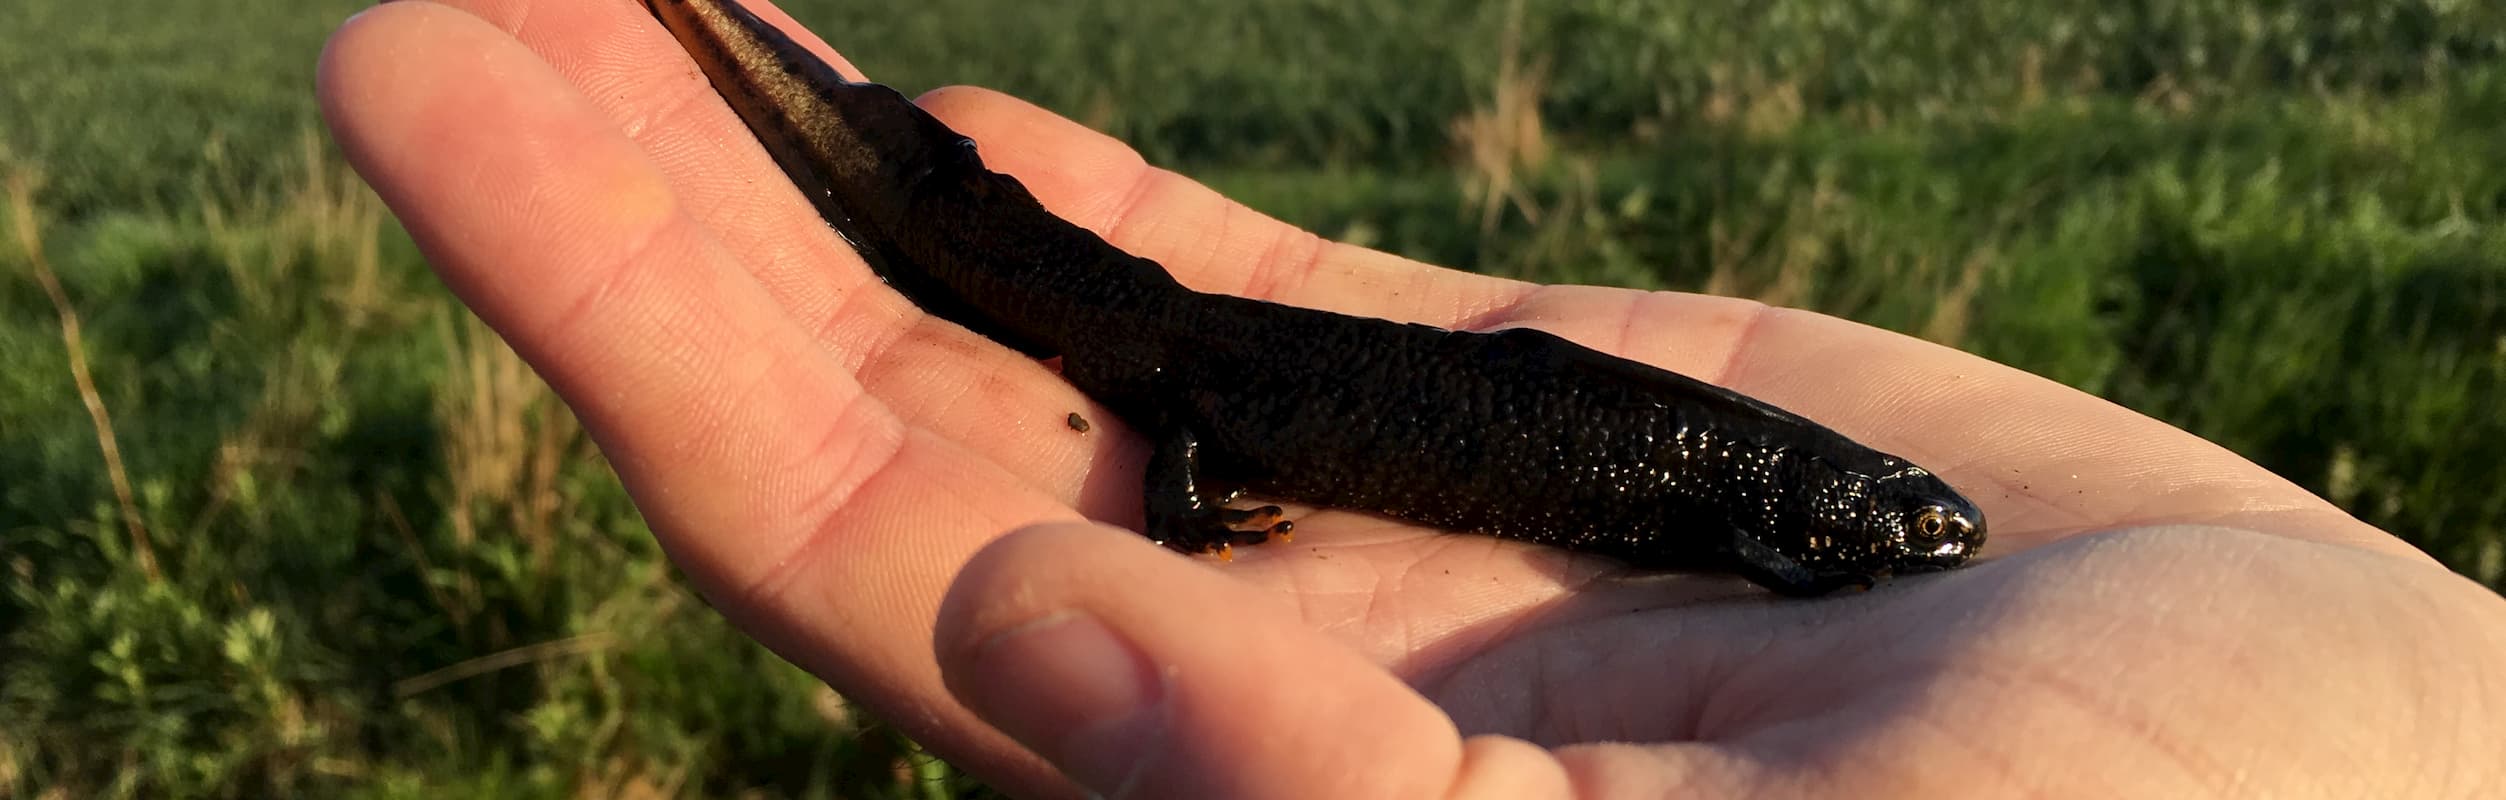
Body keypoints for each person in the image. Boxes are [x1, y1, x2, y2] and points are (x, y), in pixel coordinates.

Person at [317, 1, 2506, 796]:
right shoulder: (1781, 509)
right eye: (1895, 522)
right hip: (1222, 375)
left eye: (1900, 526)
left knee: (1102, 304)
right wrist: (1193, 515)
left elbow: (1765, 519)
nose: (1905, 528)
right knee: (1053, 293)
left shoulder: (1798, 503)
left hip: (1268, 366)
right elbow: (1754, 522)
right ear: (1836, 511)